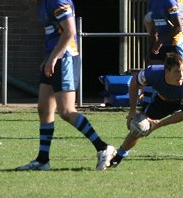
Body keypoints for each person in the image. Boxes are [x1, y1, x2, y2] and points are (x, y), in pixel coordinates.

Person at [16, 0, 116, 171]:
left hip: (66, 59)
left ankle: (103, 148)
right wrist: (48, 58)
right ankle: (43, 160)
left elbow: (69, 31)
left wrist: (53, 58)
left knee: (67, 111)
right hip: (54, 59)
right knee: (44, 108)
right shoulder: (42, 4)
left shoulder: (57, 0)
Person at [106, 53, 183, 171]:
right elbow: (134, 83)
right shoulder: (152, 73)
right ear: (166, 71)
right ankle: (118, 156)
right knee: (140, 126)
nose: (181, 75)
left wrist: (158, 124)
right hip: (162, 99)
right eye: (177, 71)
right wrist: (132, 112)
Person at [144, 0, 183, 65]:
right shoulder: (152, 2)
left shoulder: (170, 2)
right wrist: (150, 50)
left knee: (179, 72)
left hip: (174, 44)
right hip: (160, 45)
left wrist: (159, 41)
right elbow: (154, 26)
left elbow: (178, 27)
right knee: (153, 71)